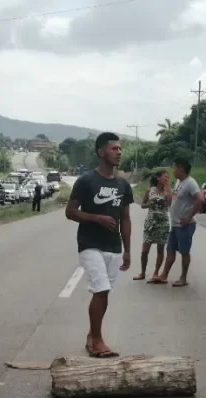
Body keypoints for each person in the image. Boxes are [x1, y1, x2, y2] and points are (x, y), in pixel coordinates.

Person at [65, 132, 133, 358]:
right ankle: (97, 340)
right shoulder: (86, 180)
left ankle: (91, 336)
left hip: (113, 246)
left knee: (104, 293)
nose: (119, 152)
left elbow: (125, 218)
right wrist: (96, 218)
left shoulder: (123, 184)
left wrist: (128, 250)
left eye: (120, 149)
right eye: (114, 149)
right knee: (101, 289)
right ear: (101, 152)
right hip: (89, 243)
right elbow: (70, 211)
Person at [157, 158, 204, 287]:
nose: (173, 170)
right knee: (170, 250)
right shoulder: (179, 182)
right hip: (175, 224)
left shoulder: (190, 183)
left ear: (181, 168)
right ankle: (164, 275)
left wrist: (189, 217)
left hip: (185, 225)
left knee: (184, 252)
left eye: (175, 167)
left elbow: (200, 199)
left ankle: (183, 278)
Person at [135, 170, 172, 282]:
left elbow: (169, 204)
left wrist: (168, 188)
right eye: (165, 177)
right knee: (145, 250)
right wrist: (148, 204)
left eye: (168, 177)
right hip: (151, 223)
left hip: (163, 223)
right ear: (158, 178)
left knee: (160, 249)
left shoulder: (167, 192)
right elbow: (142, 205)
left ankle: (156, 273)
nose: (167, 179)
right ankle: (142, 272)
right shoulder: (149, 190)